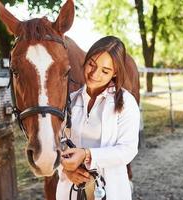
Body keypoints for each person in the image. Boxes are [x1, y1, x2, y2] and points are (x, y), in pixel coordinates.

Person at [56, 36, 140, 200]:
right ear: (85, 61)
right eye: (91, 64)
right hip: (70, 191)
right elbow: (56, 145)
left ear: (115, 73)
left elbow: (128, 150)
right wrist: (66, 170)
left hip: (111, 191)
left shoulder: (126, 102)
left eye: (105, 71)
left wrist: (87, 155)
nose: (94, 74)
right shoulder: (69, 101)